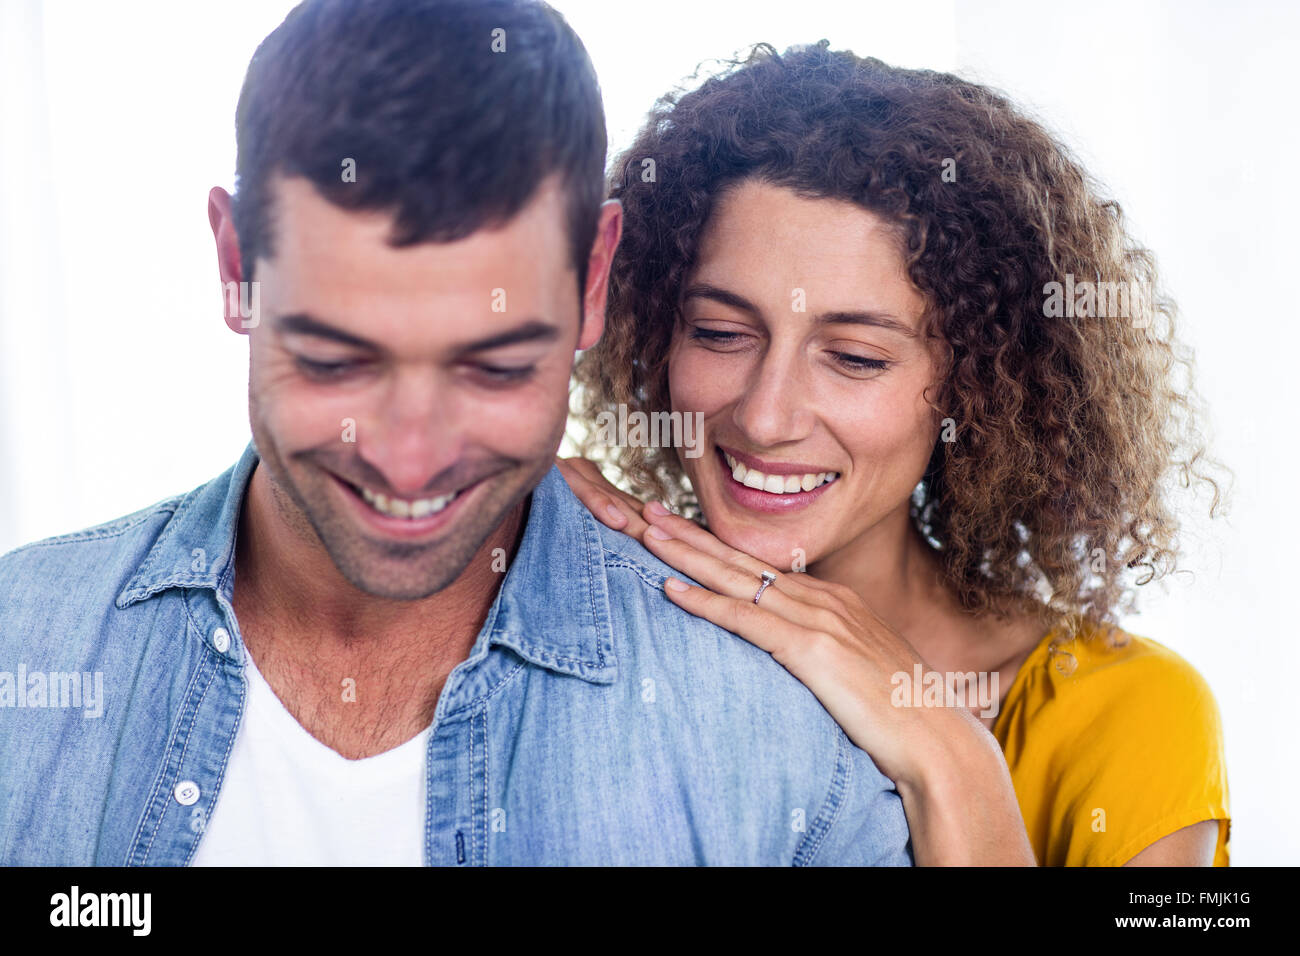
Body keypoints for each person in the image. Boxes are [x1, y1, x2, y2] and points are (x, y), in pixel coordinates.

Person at [0, 1, 911, 866]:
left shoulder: (786, 746)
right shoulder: (21, 652)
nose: (410, 455)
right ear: (238, 265)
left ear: (592, 281)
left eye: (493, 367)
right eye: (339, 358)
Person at [562, 41, 1231, 866]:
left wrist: (950, 758)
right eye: (721, 333)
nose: (766, 417)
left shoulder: (1132, 713)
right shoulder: (583, 599)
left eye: (855, 358)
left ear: (979, 386)